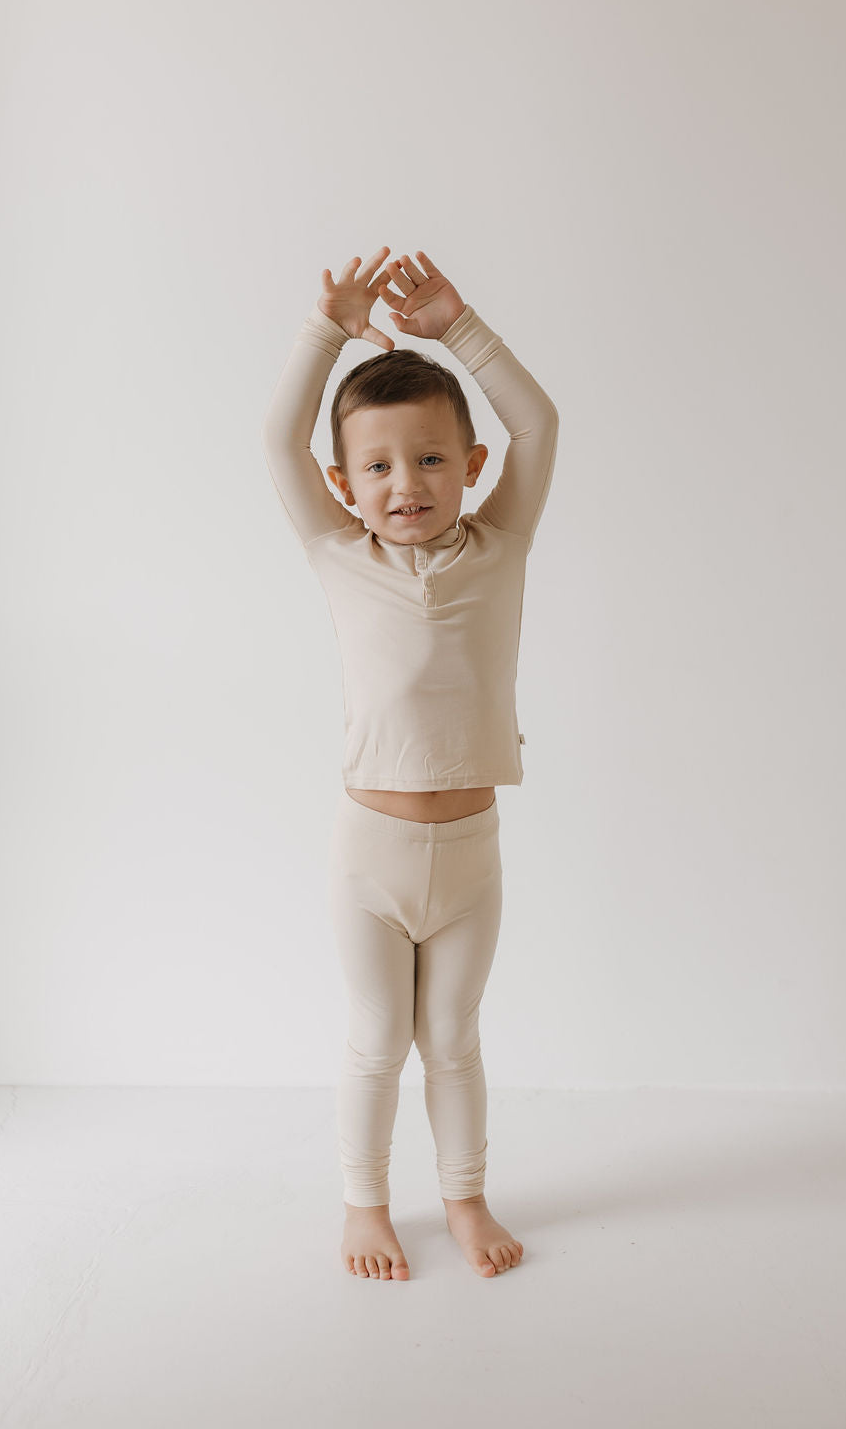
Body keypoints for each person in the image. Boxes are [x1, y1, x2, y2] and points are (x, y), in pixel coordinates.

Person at [261, 246, 559, 1279]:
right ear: (343, 484)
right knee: (379, 1038)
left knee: (455, 1040)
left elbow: (539, 423)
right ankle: (363, 1207)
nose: (407, 484)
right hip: (371, 856)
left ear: (471, 467)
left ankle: (467, 1202)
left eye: (431, 459)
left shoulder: (502, 544)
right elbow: (273, 437)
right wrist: (326, 332)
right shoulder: (338, 553)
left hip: (470, 855)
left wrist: (460, 328)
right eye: (379, 467)